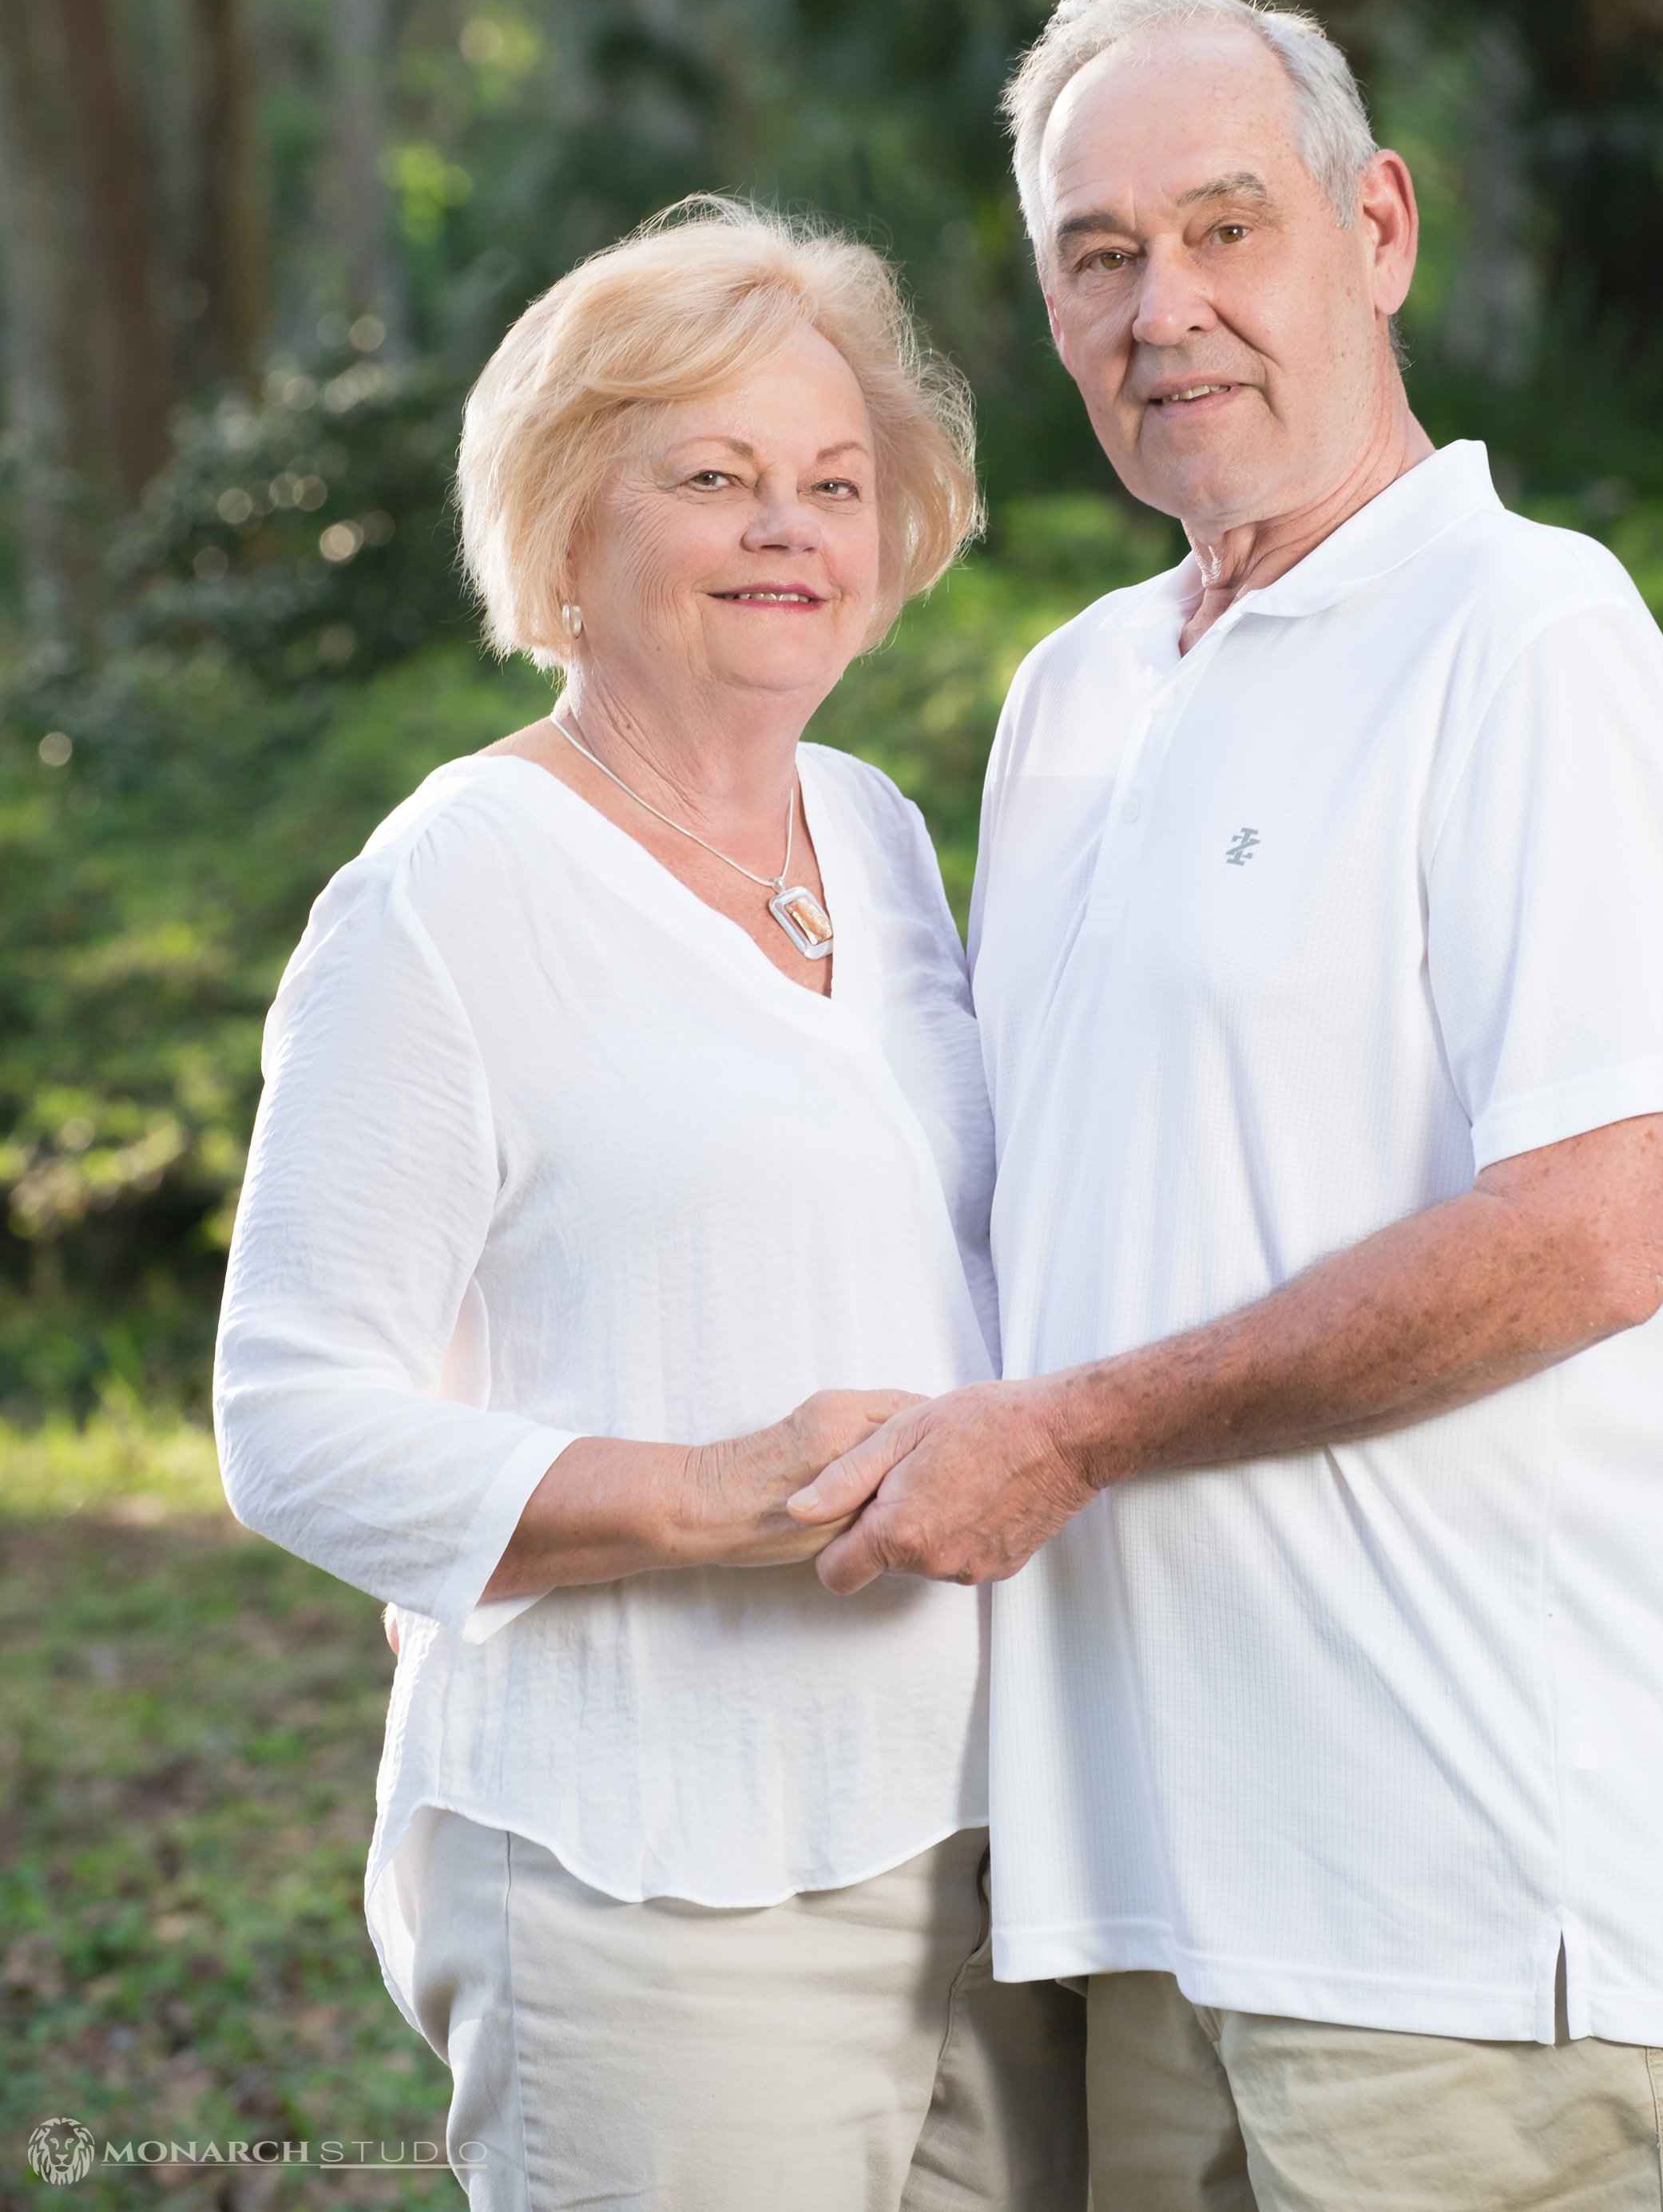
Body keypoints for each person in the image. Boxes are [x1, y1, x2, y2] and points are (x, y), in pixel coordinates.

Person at [790, 0, 1663, 2212]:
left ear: (1376, 229)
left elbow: (1583, 1234)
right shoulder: (1066, 703)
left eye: (1224, 228)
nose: (1165, 308)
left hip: (1461, 1908)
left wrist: (1068, 1431)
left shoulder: (1524, 630)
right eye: (1098, 253)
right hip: (1136, 1896)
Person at [212, 199, 1086, 2212]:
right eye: (713, 477)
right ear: (567, 537)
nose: (788, 527)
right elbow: (290, 1423)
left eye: (832, 483)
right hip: (647, 1869)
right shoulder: (452, 888)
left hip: (984, 1848)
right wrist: (712, 1493)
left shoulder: (867, 835)